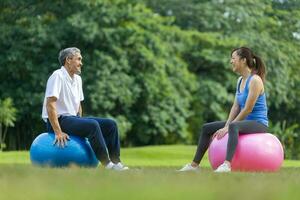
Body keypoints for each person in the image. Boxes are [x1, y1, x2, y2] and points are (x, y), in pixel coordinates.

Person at [179, 47, 268, 173]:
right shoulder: (239, 80)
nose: (231, 61)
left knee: (233, 127)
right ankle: (194, 166)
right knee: (207, 128)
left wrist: (229, 127)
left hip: (258, 123)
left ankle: (226, 165)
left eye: (233, 58)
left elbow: (248, 109)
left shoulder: (255, 80)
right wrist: (226, 125)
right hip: (242, 122)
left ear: (243, 60)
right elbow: (236, 106)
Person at [42, 47, 128, 171]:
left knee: (111, 124)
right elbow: (50, 104)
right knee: (92, 125)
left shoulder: (78, 79)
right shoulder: (57, 76)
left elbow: (78, 105)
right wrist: (58, 132)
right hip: (58, 121)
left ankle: (117, 162)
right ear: (68, 60)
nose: (81, 63)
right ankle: (108, 165)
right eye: (79, 59)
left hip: (72, 119)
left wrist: (80, 124)